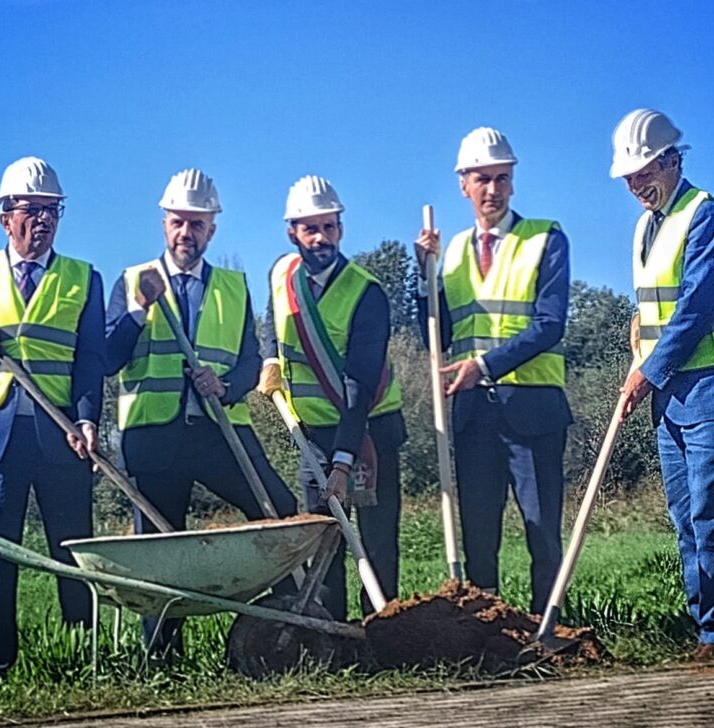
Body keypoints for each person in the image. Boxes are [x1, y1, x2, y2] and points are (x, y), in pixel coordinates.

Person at [105, 168, 297, 657]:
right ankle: (163, 659)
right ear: (164, 224)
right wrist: (137, 313)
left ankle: (280, 633)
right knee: (160, 550)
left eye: (196, 224)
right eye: (177, 223)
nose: (185, 233)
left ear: (212, 228)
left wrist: (226, 385)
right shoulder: (132, 282)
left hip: (220, 432)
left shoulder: (232, 286)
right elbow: (108, 359)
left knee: (278, 508)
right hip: (154, 436)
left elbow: (251, 359)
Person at [415, 128, 572, 614]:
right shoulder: (451, 253)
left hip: (534, 412)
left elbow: (550, 326)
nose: (493, 190)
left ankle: (550, 629)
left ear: (513, 181)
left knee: (542, 531)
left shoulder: (546, 237)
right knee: (480, 536)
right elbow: (435, 338)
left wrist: (482, 366)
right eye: (483, 179)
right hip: (473, 419)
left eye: (502, 178)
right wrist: (421, 279)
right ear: (464, 183)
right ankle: (488, 632)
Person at [258, 175, 406, 620]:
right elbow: (272, 323)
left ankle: (381, 630)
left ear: (341, 228)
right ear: (293, 233)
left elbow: (358, 388)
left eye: (330, 227)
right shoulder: (282, 274)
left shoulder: (367, 293)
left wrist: (343, 463)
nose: (321, 238)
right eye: (310, 229)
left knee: (375, 541)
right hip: (311, 434)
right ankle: (332, 635)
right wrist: (269, 359)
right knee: (323, 538)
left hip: (369, 433)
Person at [0, 157, 105, 674]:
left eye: (52, 210)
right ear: (5, 217)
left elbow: (90, 361)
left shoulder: (83, 278)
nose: (43, 220)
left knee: (72, 552)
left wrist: (87, 420)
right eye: (31, 210)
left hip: (61, 434)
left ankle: (79, 657)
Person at [611, 109, 714, 662]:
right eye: (628, 178)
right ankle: (706, 628)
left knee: (709, 513)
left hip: (704, 386)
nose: (635, 186)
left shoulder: (703, 214)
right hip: (667, 396)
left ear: (672, 161)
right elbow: (654, 304)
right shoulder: (644, 227)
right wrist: (638, 337)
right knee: (683, 516)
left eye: (643, 173)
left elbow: (697, 307)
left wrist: (647, 374)